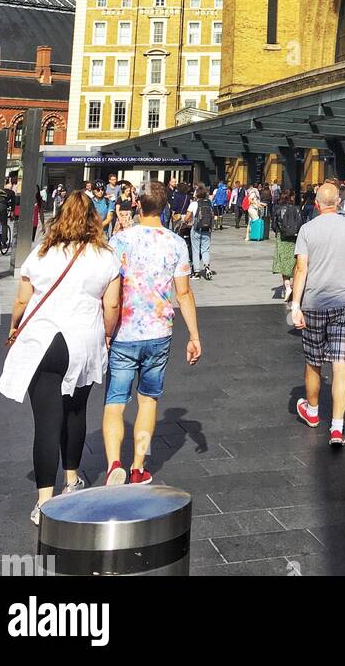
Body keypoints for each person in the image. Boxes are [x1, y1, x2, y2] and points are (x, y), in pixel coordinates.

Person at [0, 190, 121, 524]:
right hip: (82, 344)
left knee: (46, 422)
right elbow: (111, 305)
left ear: (59, 215)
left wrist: (12, 327)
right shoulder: (106, 256)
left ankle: (43, 502)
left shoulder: (41, 253)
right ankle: (72, 480)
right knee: (75, 413)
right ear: (95, 218)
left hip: (42, 342)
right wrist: (108, 333)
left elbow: (22, 301)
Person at [102, 182, 201, 485]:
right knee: (148, 401)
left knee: (116, 400)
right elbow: (183, 294)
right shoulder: (176, 243)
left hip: (123, 332)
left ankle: (113, 464)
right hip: (159, 331)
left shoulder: (119, 241)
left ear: (137, 205)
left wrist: (106, 330)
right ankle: (137, 466)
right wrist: (194, 336)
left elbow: (111, 294)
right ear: (166, 207)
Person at [290, 181, 345, 447]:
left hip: (314, 302)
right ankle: (337, 427)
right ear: (338, 202)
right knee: (341, 362)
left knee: (313, 360)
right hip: (342, 302)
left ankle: (313, 411)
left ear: (316, 203)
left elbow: (301, 269)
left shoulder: (307, 229)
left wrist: (295, 304)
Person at [272, 189, 302, 302]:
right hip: (294, 239)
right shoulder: (297, 209)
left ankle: (288, 286)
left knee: (283, 263)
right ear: (292, 197)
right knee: (294, 263)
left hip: (282, 238)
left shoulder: (278, 209)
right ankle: (295, 287)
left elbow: (274, 225)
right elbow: (300, 223)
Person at [187, 184, 216, 279]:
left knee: (195, 250)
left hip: (196, 229)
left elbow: (187, 217)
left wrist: (186, 222)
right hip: (207, 229)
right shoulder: (209, 203)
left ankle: (196, 272)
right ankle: (207, 266)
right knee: (205, 249)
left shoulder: (194, 204)